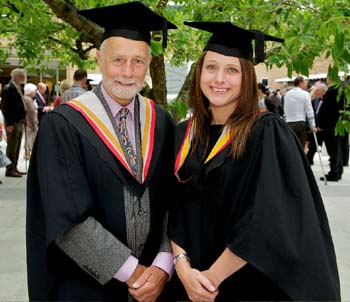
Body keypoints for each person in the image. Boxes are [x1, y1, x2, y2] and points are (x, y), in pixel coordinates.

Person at [168, 21, 340, 301]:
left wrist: (209, 281)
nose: (219, 78)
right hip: (188, 282)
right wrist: (183, 268)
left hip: (246, 283)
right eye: (211, 67)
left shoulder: (267, 132)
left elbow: (268, 219)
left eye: (231, 70)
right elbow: (171, 209)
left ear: (246, 78)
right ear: (199, 72)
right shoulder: (182, 135)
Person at [26, 2, 177, 301]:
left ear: (148, 63)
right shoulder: (65, 124)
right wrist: (134, 274)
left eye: (138, 61)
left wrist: (162, 266)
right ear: (98, 59)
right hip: (87, 287)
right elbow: (66, 217)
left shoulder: (161, 121)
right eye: (118, 59)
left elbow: (176, 201)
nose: (128, 72)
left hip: (155, 287)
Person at [317, 76, 346, 181]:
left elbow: (325, 109)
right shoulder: (342, 91)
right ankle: (338, 170)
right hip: (339, 123)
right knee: (338, 148)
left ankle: (334, 172)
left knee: (333, 149)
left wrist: (319, 122)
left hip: (330, 124)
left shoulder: (331, 91)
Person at [0, 68, 27, 177]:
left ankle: (14, 167)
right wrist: (9, 123)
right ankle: (10, 168)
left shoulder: (18, 88)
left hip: (19, 121)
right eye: (21, 76)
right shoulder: (8, 88)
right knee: (11, 146)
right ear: (15, 76)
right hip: (13, 122)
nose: (23, 78)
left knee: (17, 146)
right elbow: (5, 108)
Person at [284, 76, 316, 148]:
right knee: (300, 145)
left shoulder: (287, 94)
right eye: (305, 82)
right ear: (300, 83)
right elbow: (309, 110)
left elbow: (285, 109)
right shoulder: (305, 94)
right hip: (300, 122)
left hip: (289, 122)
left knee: (292, 145)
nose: (306, 84)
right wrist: (312, 125)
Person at [306, 82, 327, 165]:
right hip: (316, 126)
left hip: (324, 126)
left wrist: (321, 125)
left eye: (317, 90)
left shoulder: (327, 101)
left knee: (330, 147)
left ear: (323, 91)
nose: (316, 92)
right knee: (313, 144)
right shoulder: (315, 100)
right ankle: (309, 159)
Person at [23, 83, 39, 160]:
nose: (35, 92)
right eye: (34, 91)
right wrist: (34, 124)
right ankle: (27, 153)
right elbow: (31, 112)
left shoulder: (27, 98)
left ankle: (27, 153)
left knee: (29, 138)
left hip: (28, 122)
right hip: (30, 122)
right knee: (29, 139)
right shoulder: (28, 100)